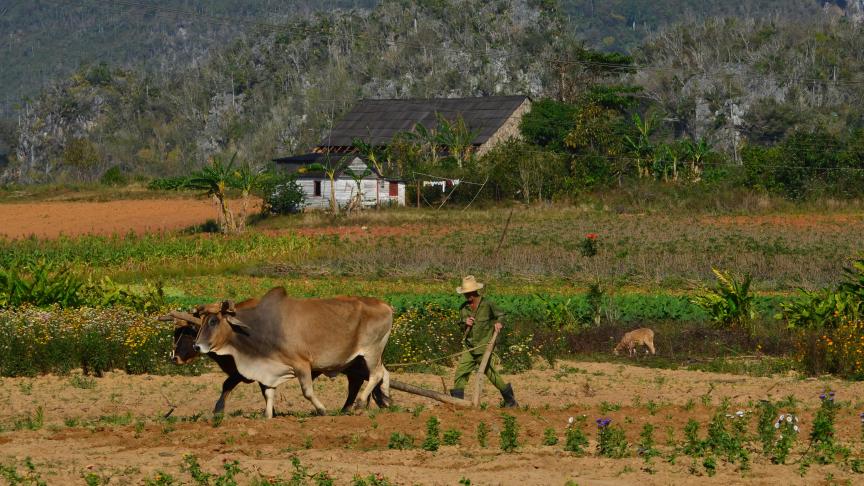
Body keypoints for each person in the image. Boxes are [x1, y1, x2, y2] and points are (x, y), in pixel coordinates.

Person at [450, 275, 518, 408]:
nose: (467, 296)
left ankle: (510, 401)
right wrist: (465, 323)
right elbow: (461, 327)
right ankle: (457, 403)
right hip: (469, 347)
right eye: (465, 294)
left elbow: (501, 315)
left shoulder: (487, 304)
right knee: (460, 373)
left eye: (469, 293)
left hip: (484, 346)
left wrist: (499, 323)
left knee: (491, 373)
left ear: (475, 292)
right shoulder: (463, 308)